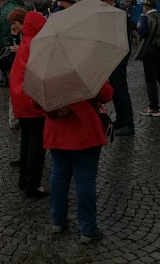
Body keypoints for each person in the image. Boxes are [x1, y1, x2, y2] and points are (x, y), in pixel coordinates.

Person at [44, 81, 114, 243]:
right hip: (86, 129)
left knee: (59, 174)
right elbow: (106, 94)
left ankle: (58, 221)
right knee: (85, 178)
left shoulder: (49, 69)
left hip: (57, 131)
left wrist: (55, 108)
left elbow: (36, 100)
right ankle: (88, 229)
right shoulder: (86, 66)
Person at [9, 11, 49, 199]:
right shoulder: (37, 44)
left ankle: (23, 179)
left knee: (26, 139)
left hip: (20, 97)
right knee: (37, 144)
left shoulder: (26, 40)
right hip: (32, 100)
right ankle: (33, 184)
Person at [99, 0, 134, 137]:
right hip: (114, 56)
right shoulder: (114, 13)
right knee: (116, 91)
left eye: (103, 1)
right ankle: (121, 120)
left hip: (118, 56)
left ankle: (128, 124)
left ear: (109, 0)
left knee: (120, 90)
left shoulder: (118, 14)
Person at [136, 0, 160, 117]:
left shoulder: (146, 17)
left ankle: (154, 107)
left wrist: (139, 27)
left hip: (150, 51)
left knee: (150, 78)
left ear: (146, 7)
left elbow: (144, 32)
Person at [0, 0, 31, 87]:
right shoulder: (22, 8)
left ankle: (4, 79)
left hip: (1, 39)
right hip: (14, 40)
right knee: (11, 61)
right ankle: (10, 80)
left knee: (3, 59)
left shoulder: (3, 7)